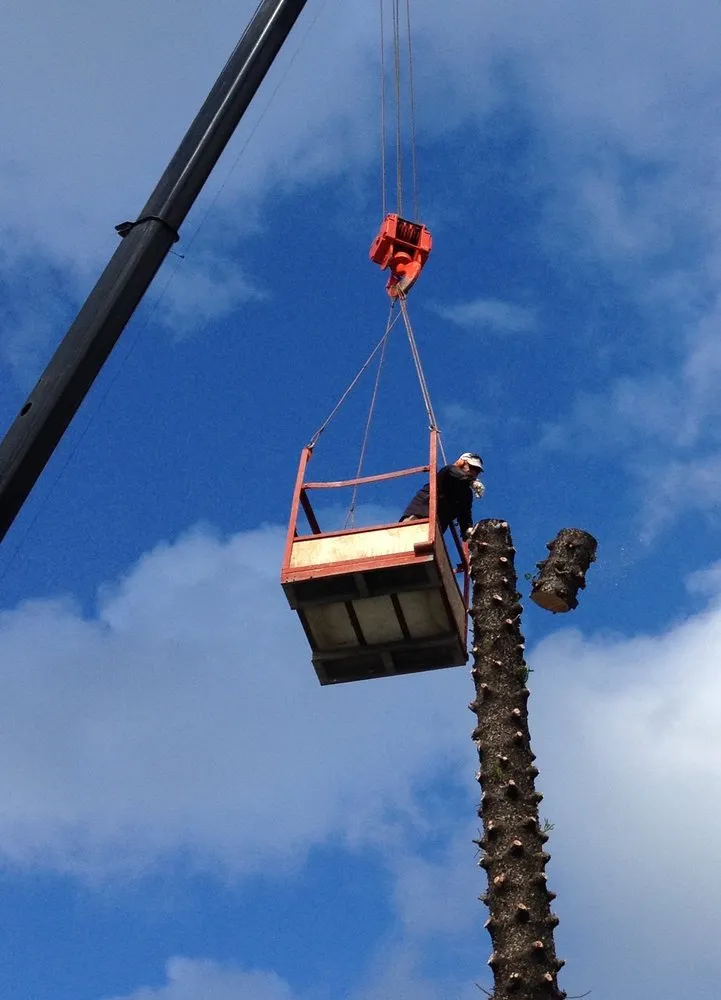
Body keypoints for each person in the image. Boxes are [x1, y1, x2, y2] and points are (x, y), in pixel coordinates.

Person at [400, 452, 484, 539]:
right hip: (418, 517)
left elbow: (465, 513)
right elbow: (451, 471)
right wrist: (472, 481)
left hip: (436, 529)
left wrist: (467, 530)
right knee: (404, 540)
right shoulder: (448, 472)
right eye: (472, 467)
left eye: (477, 471)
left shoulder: (466, 494)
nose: (474, 472)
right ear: (461, 463)